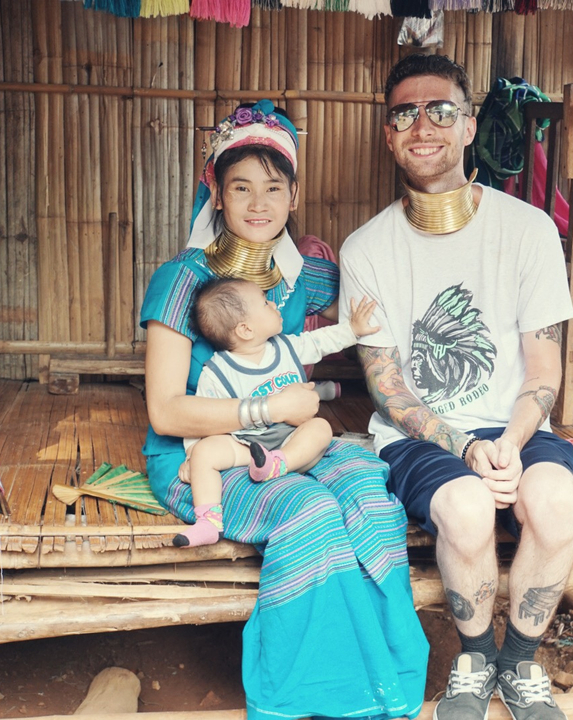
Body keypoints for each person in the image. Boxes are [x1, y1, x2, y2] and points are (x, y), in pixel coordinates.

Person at [140, 100, 427, 719]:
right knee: (312, 512)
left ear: (294, 196)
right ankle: (306, 699)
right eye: (240, 187)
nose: (258, 203)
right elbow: (165, 413)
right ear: (215, 193)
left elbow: (379, 292)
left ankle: (388, 676)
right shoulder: (183, 281)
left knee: (369, 494)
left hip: (288, 442)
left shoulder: (306, 275)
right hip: (205, 460)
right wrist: (266, 406)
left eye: (274, 188)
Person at [339, 55, 573, 720]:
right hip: (420, 435)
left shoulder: (528, 230)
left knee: (554, 503)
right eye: (404, 113)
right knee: (469, 509)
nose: (423, 125)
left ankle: (518, 662)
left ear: (469, 126)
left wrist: (507, 442)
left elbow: (542, 369)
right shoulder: (365, 250)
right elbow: (387, 387)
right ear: (388, 134)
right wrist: (466, 449)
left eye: (441, 109)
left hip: (517, 427)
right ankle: (475, 655)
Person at [173, 277, 380, 548]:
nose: (273, 303)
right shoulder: (217, 372)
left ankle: (279, 464)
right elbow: (200, 420)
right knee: (206, 451)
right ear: (245, 329)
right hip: (246, 444)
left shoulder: (287, 348)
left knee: (321, 429)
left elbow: (321, 340)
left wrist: (353, 329)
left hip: (290, 440)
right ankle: (208, 522)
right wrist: (192, 456)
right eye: (264, 302)